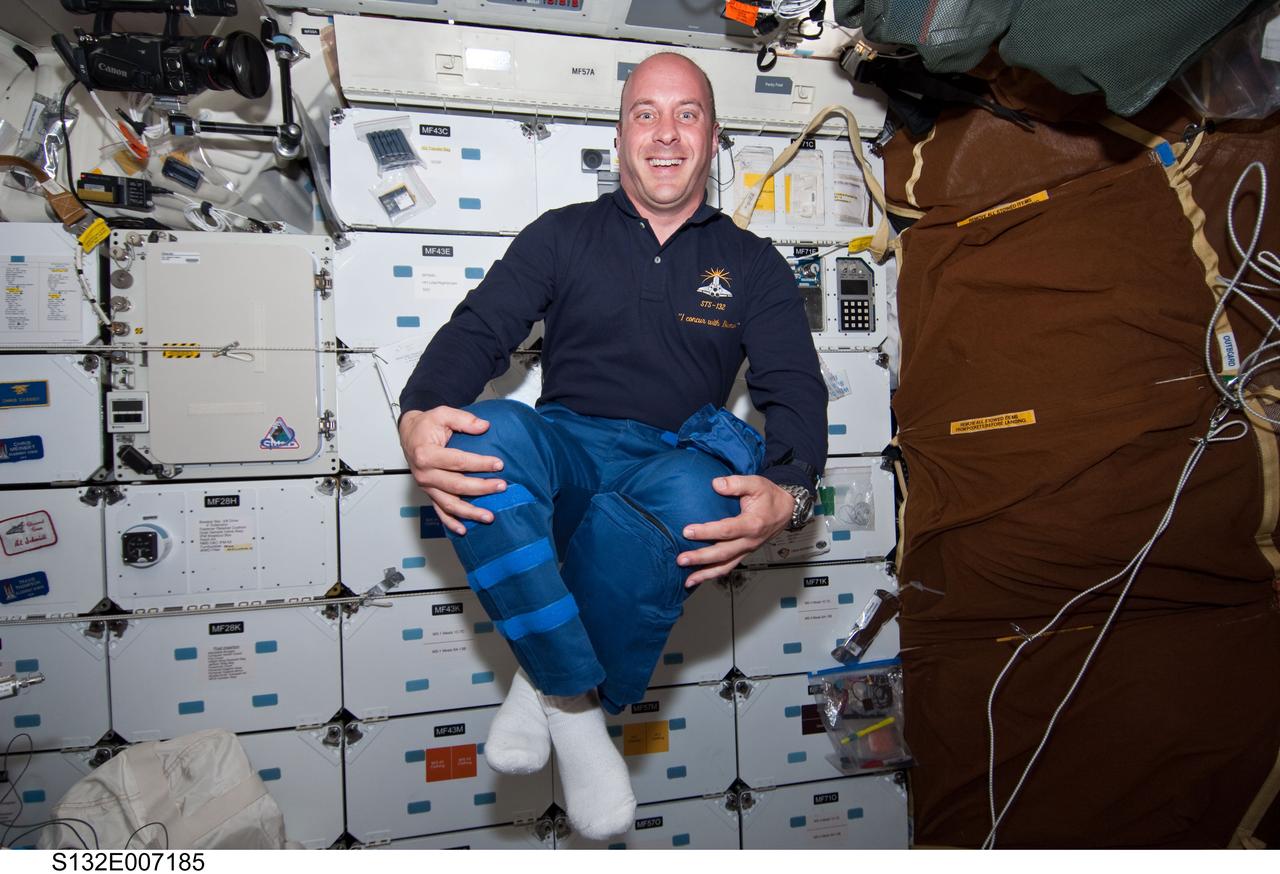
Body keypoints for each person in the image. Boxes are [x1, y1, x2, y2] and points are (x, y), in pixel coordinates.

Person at [397, 52, 826, 840]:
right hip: (567, 452)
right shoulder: (562, 236)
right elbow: (481, 328)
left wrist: (790, 493)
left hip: (669, 465)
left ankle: (544, 685)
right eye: (646, 113)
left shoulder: (755, 266)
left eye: (687, 113)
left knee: (705, 493)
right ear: (620, 134)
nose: (666, 133)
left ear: (714, 137)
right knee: (490, 431)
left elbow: (795, 391)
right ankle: (577, 709)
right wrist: (420, 410)